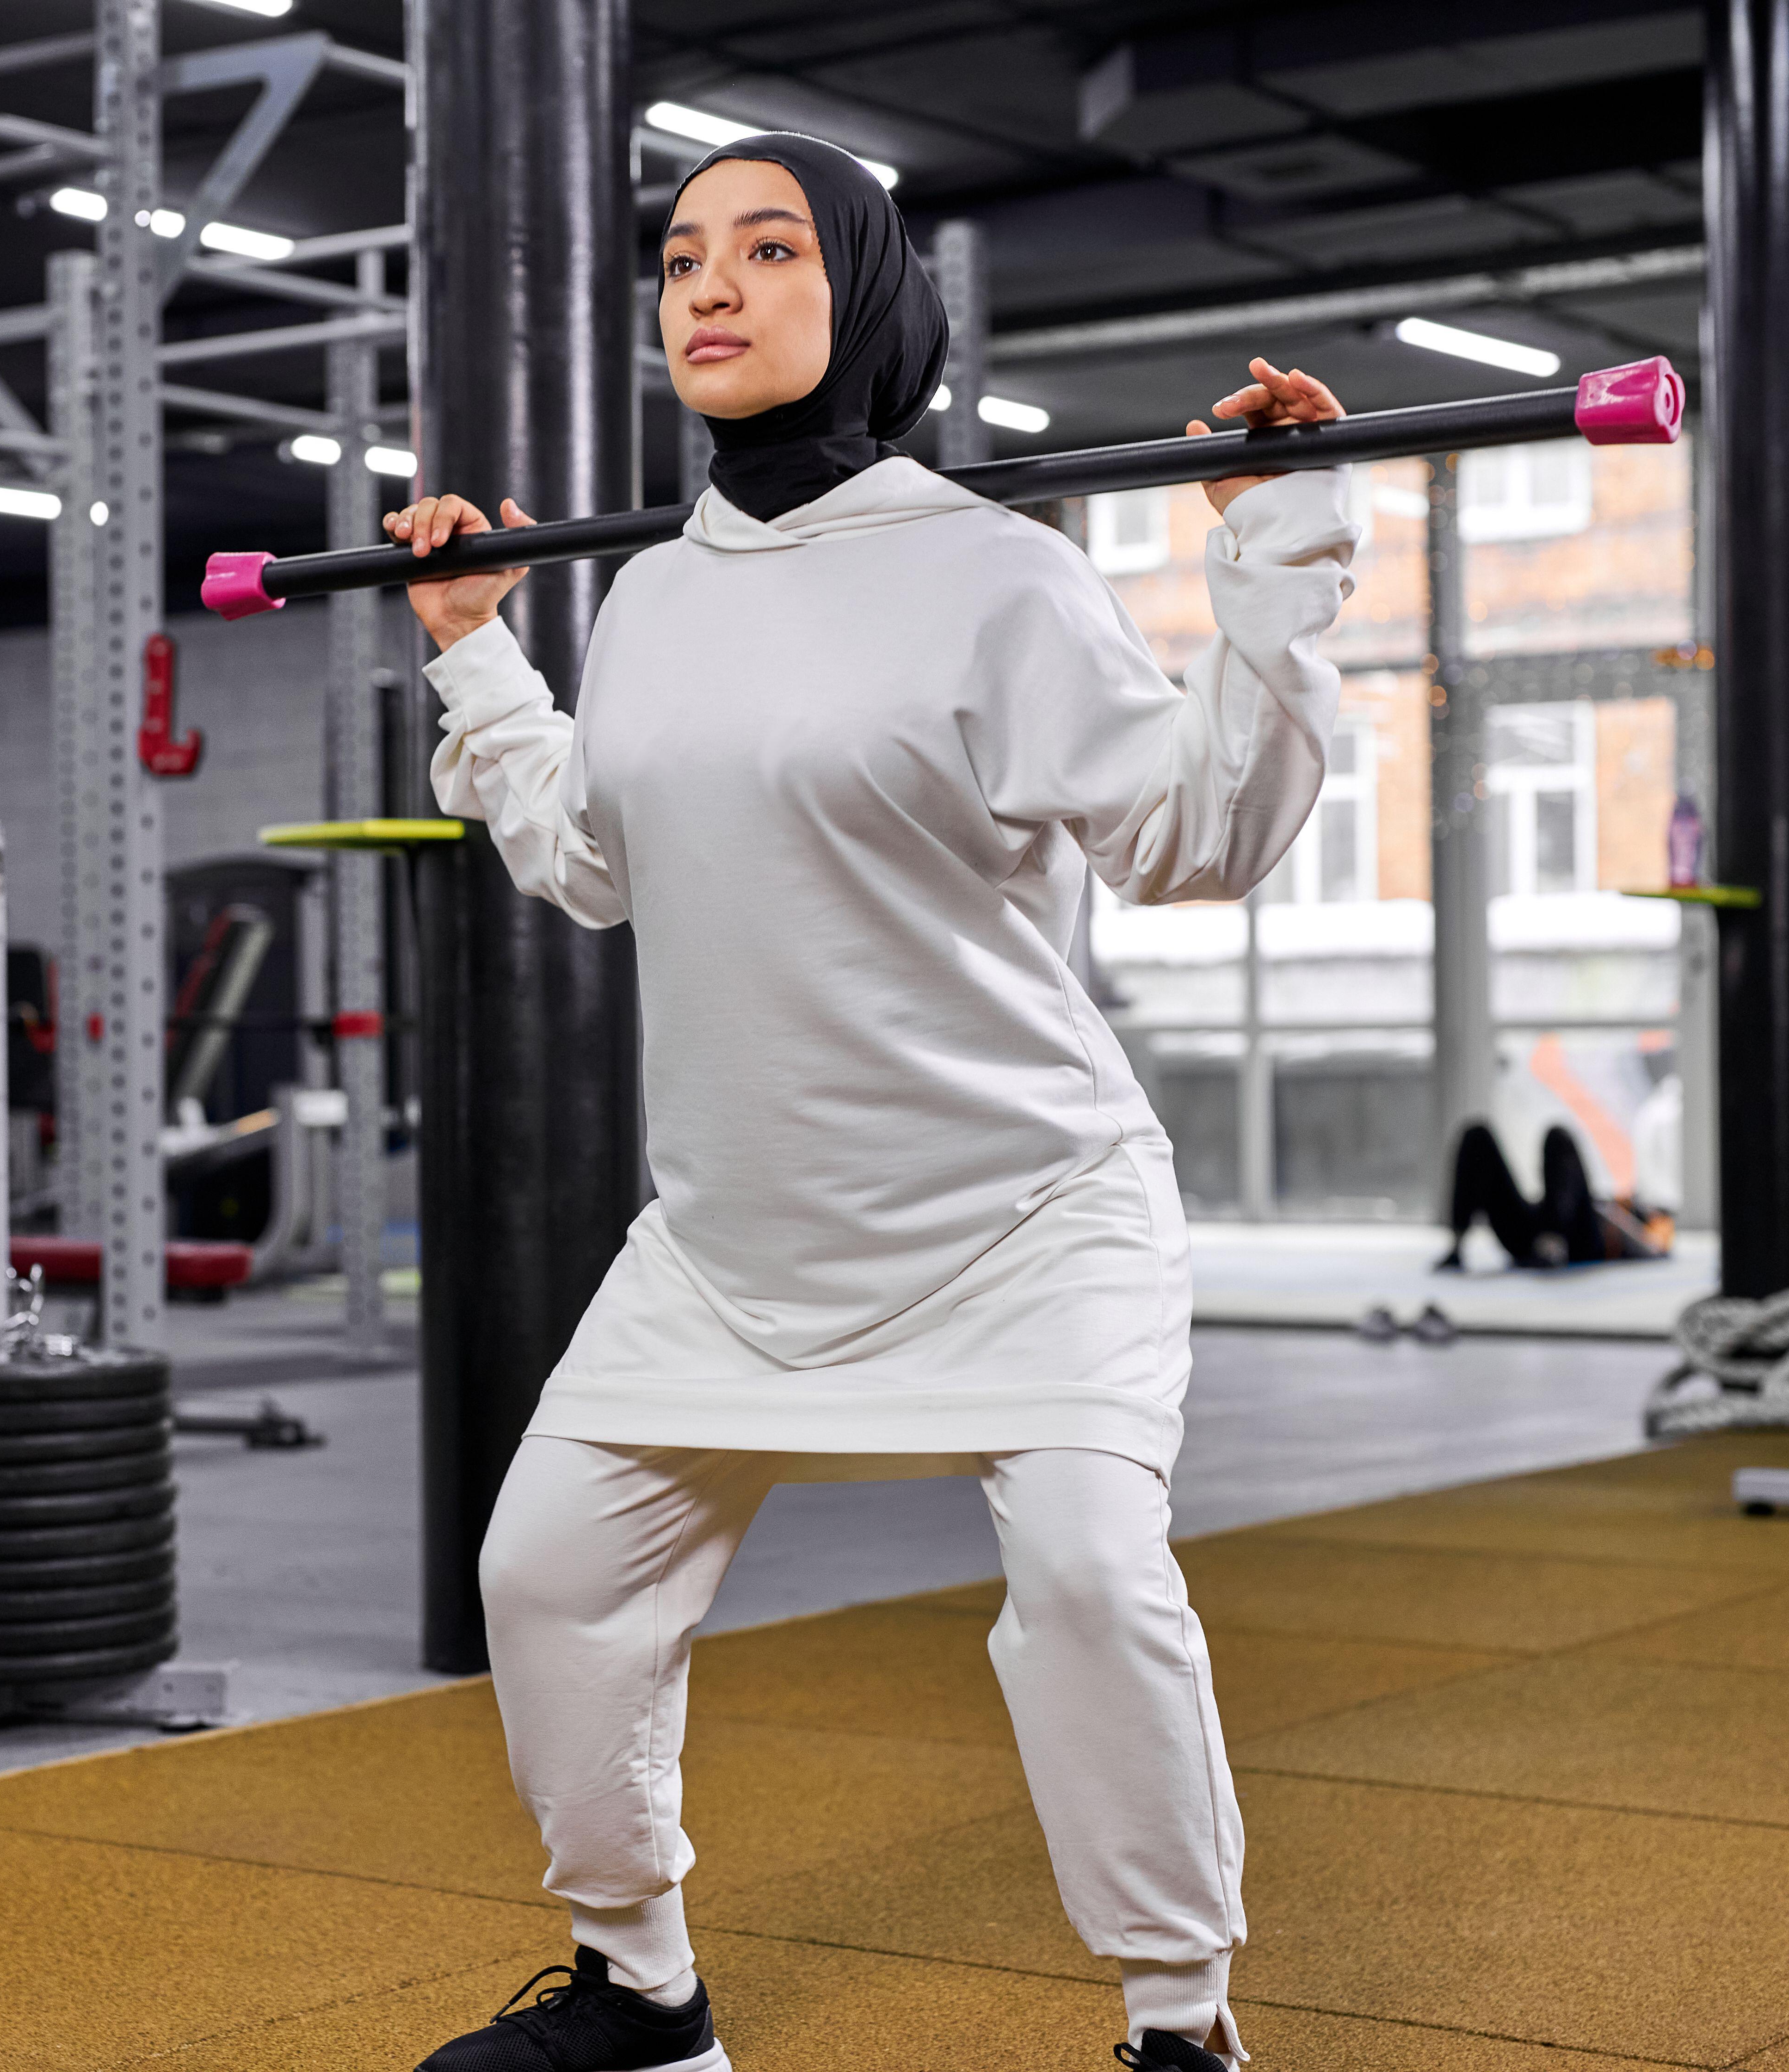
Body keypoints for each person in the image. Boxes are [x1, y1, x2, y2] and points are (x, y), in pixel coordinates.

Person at [395, 133, 1357, 2072]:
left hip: (1027, 1208)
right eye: (681, 262)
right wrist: (482, 648)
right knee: (550, 1579)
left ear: (867, 296)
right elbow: (590, 858)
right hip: (736, 1238)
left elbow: (1198, 835)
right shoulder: (654, 596)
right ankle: (643, 1999)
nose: (711, 291)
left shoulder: (1000, 574)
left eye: (768, 251)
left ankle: (1186, 2030)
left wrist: (1271, 547)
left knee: (1090, 1579)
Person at [1437, 1120, 1671, 1271]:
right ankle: (1457, 1244)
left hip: (1577, 1242)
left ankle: (1551, 1245)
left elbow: (1651, 1246)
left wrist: (1649, 1247)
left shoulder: (1638, 1219)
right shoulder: (1624, 1201)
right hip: (1533, 1235)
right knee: (1477, 1136)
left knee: (1559, 1137)